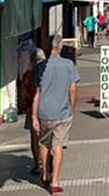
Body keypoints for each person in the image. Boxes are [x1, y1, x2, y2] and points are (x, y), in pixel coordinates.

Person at [32, 34, 81, 194]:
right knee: (58, 145)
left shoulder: (40, 67)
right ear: (60, 47)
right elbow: (73, 89)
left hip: (44, 111)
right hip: (63, 112)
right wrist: (72, 108)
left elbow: (37, 93)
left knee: (44, 143)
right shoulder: (68, 65)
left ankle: (45, 174)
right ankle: (55, 181)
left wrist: (34, 116)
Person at [22, 48, 47, 176]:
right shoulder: (48, 72)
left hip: (32, 110)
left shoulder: (28, 74)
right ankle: (47, 165)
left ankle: (38, 164)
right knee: (47, 138)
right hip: (48, 109)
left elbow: (24, 94)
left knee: (35, 139)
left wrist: (25, 107)